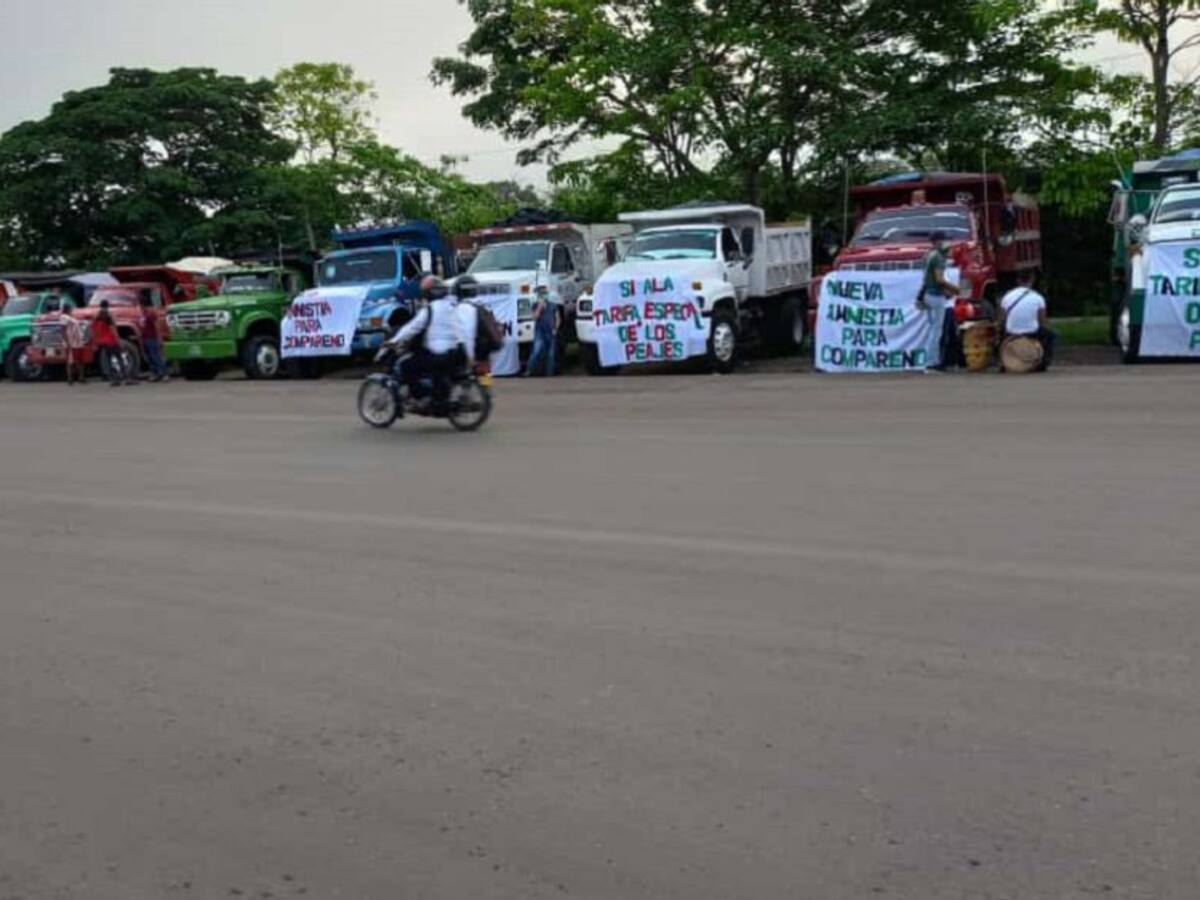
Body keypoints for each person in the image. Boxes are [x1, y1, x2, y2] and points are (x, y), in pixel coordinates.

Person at [387, 275, 468, 414]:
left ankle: (421, 397)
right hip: (455, 352)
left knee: (407, 366)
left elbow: (412, 328)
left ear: (428, 293)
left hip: (437, 354)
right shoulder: (453, 306)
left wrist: (394, 340)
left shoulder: (429, 310)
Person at [917, 231, 960, 372]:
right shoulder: (938, 257)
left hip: (929, 294)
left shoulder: (929, 255)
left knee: (933, 329)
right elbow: (939, 279)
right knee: (936, 331)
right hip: (935, 296)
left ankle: (932, 361)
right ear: (938, 241)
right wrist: (954, 289)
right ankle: (931, 363)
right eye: (945, 240)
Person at [999, 272, 1055, 371]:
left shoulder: (1007, 297)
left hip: (1011, 332)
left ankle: (1002, 361)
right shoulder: (1038, 298)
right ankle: (1043, 361)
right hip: (1031, 332)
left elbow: (1002, 319)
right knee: (1051, 335)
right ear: (1032, 280)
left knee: (998, 336)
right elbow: (1042, 321)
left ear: (1018, 281)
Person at [93, 300, 136, 387]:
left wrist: (96, 342)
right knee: (120, 359)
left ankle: (114, 380)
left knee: (109, 361)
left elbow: (94, 330)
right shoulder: (108, 316)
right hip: (111, 341)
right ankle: (126, 378)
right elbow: (113, 330)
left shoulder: (97, 317)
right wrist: (118, 340)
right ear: (107, 306)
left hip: (103, 342)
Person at [524, 285, 557, 377]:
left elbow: (557, 317)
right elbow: (534, 317)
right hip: (540, 330)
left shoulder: (552, 305)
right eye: (542, 293)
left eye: (545, 293)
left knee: (551, 354)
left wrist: (555, 328)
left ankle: (549, 374)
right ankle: (529, 370)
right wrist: (539, 307)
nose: (544, 295)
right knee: (537, 350)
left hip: (551, 330)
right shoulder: (535, 305)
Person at [139, 295, 169, 382]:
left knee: (156, 356)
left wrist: (159, 338)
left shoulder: (151, 313)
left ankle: (164, 373)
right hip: (146, 338)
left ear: (143, 304)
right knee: (150, 357)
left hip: (152, 338)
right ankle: (156, 373)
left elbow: (157, 326)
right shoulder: (144, 313)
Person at [56, 299, 86, 385]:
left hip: (77, 342)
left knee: (79, 360)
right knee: (70, 361)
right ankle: (70, 378)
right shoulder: (63, 317)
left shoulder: (71, 318)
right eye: (70, 308)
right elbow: (62, 330)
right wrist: (67, 341)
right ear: (67, 309)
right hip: (71, 342)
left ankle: (80, 377)